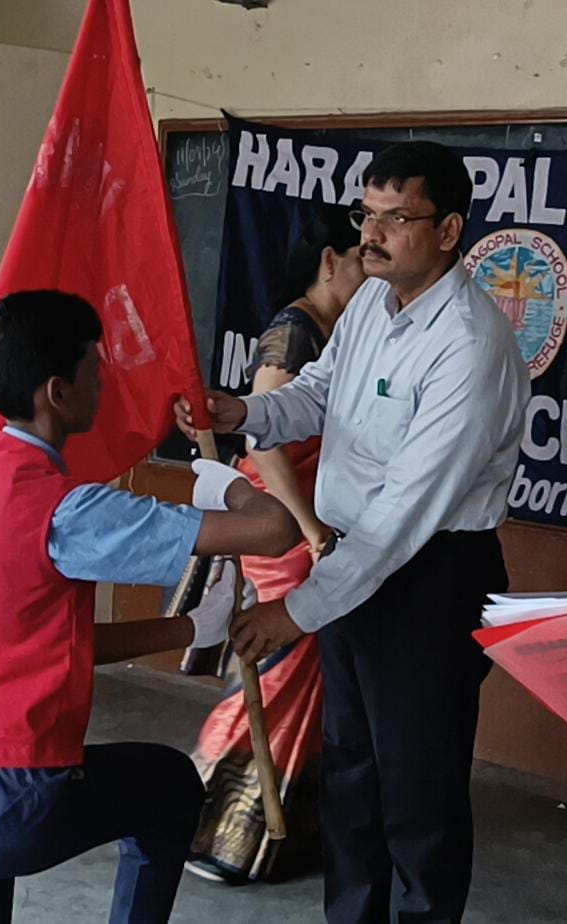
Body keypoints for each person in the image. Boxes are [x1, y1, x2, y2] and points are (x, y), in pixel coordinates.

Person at [176, 141, 530, 922]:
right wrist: (242, 412)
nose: (370, 235)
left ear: (447, 231)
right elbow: (314, 395)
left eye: (394, 218)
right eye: (364, 215)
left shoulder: (469, 346)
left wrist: (295, 610)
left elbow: (403, 515)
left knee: (417, 789)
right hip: (351, 560)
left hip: (429, 580)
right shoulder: (372, 301)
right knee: (351, 773)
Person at [0, 290, 301, 924]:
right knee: (169, 785)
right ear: (57, 392)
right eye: (93, 369)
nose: (103, 383)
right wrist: (230, 485)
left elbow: (44, 642)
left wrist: (187, 627)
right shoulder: (65, 509)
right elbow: (274, 530)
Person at [186, 205, 366, 885]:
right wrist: (309, 526)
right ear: (330, 261)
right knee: (280, 667)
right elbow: (265, 440)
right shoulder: (294, 331)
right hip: (283, 527)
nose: (372, 270)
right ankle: (211, 818)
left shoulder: (344, 330)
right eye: (361, 257)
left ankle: (276, 828)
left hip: (312, 519)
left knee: (306, 674)